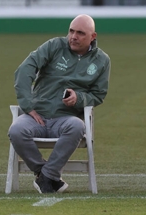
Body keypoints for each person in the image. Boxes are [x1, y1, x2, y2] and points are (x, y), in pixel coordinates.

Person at [9, 14, 111, 194]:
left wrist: (78, 98)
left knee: (77, 126)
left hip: (66, 118)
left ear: (92, 37)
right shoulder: (54, 46)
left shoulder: (101, 60)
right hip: (37, 115)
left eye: (80, 33)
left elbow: (98, 94)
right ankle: (46, 174)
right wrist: (28, 106)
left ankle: (46, 176)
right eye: (71, 31)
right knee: (16, 130)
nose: (73, 36)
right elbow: (25, 69)